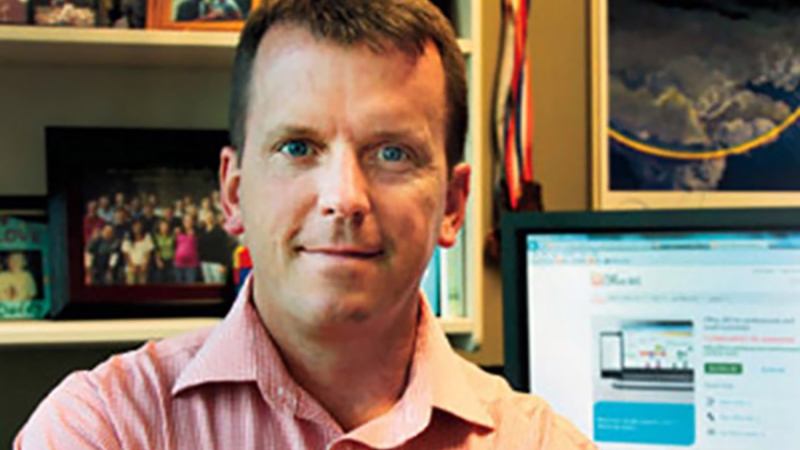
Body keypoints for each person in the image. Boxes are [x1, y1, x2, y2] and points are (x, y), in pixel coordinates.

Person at [14, 1, 594, 449]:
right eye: (297, 147)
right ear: (233, 193)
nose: (344, 198)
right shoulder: (107, 427)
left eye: (392, 153)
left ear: (452, 205)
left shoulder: (541, 442)